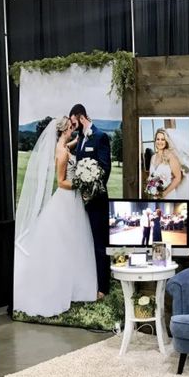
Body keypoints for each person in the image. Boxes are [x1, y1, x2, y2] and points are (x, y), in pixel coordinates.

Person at [13, 117, 98, 316]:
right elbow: (61, 182)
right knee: (65, 243)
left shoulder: (63, 145)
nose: (73, 129)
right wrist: (81, 183)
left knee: (75, 242)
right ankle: (58, 287)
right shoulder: (61, 152)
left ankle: (75, 286)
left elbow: (69, 145)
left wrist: (82, 136)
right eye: (71, 127)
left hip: (73, 201)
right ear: (64, 130)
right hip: (65, 199)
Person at [70, 104, 111, 299]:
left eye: (74, 121)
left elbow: (105, 169)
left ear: (81, 117)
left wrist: (90, 189)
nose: (73, 125)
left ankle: (103, 287)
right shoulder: (79, 140)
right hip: (81, 201)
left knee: (99, 243)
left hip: (97, 200)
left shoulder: (100, 136)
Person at [147, 128, 183, 199]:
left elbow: (178, 178)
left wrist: (164, 193)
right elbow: (151, 177)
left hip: (168, 195)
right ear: (155, 140)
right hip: (155, 195)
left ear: (166, 141)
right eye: (158, 139)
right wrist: (150, 187)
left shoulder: (171, 156)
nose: (160, 142)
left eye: (162, 139)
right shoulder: (153, 157)